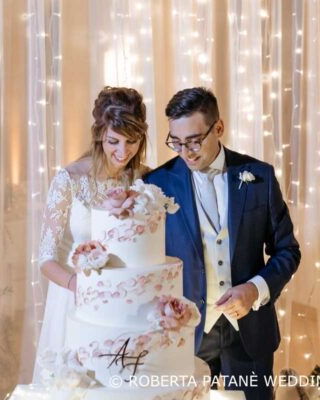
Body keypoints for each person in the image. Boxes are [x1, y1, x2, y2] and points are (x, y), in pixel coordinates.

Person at [144, 87, 301, 400]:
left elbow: (287, 250)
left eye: (193, 140)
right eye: (176, 142)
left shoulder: (260, 176)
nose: (185, 152)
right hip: (186, 336)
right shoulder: (156, 185)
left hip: (250, 332)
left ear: (218, 128)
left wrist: (255, 289)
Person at [33, 86, 150, 382]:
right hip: (76, 301)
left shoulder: (145, 178)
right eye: (114, 141)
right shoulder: (70, 179)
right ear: (99, 133)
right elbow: (45, 259)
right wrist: (79, 286)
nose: (123, 152)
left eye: (132, 142)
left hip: (127, 303)